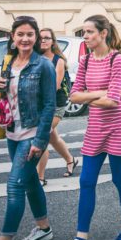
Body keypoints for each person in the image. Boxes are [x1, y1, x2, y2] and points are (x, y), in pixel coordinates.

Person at [52, 15, 121, 240]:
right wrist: (101, 92)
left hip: (118, 126)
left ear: (103, 34)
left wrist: (92, 95)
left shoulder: (117, 59)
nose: (86, 37)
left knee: (120, 179)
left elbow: (113, 101)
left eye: (90, 32)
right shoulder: (86, 60)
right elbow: (74, 96)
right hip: (96, 127)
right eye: (84, 33)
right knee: (86, 181)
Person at [0, 16, 56, 240]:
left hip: (31, 135)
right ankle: (43, 229)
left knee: (15, 186)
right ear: (12, 37)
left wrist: (40, 141)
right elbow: (4, 95)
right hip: (11, 132)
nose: (25, 39)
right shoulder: (8, 62)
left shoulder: (43, 66)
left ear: (36, 37)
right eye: (20, 34)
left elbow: (50, 104)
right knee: (30, 183)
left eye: (30, 34)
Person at [36, 28, 79, 186]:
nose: (43, 41)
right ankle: (70, 159)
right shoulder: (35, 58)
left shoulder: (58, 61)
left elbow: (53, 86)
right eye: (40, 38)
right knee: (53, 137)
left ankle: (39, 177)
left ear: (52, 41)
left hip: (55, 105)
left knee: (41, 137)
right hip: (39, 106)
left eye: (47, 38)